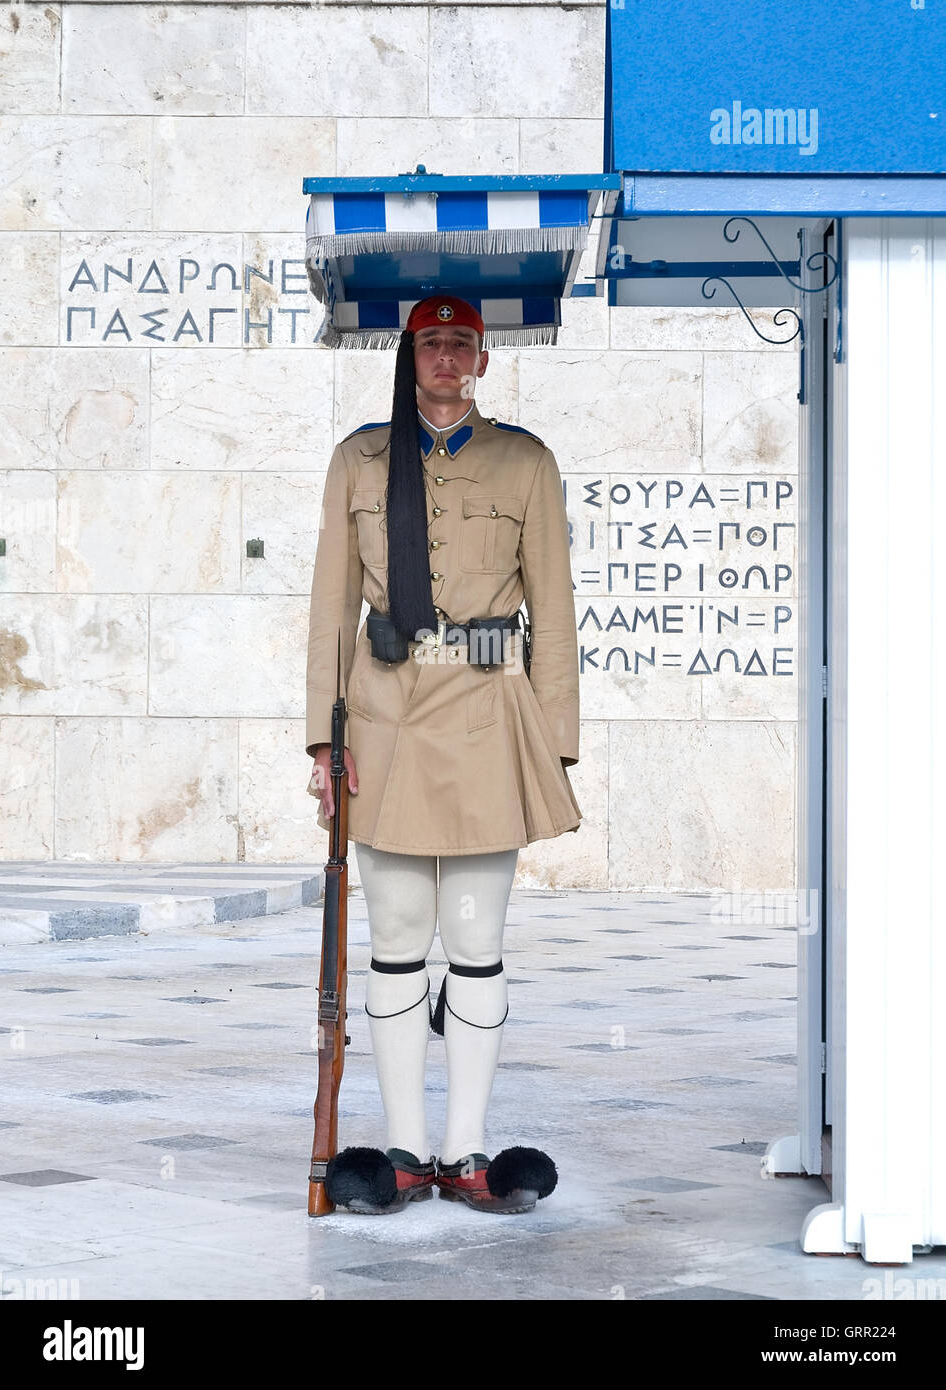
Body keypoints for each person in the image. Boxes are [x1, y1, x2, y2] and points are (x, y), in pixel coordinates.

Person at [305, 294, 582, 1214]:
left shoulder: (524, 461)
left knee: (473, 944)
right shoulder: (360, 459)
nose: (447, 360)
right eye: (431, 345)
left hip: (484, 714)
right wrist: (322, 738)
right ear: (410, 356)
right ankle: (403, 1151)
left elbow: (553, 616)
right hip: (382, 718)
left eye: (462, 345)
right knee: (391, 945)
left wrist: (551, 746)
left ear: (484, 360)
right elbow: (329, 609)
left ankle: (465, 1152)